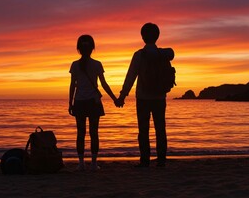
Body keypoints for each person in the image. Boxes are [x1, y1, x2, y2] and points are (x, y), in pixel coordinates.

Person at [117, 23, 174, 167]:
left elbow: (131, 77)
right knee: (160, 128)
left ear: (142, 37)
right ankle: (161, 159)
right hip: (160, 97)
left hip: (143, 97)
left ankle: (145, 160)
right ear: (157, 36)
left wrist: (122, 96)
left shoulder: (139, 55)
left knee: (143, 130)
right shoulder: (163, 54)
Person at [69, 34, 118, 171]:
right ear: (92, 48)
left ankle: (81, 163)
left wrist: (70, 103)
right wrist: (115, 99)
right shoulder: (97, 64)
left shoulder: (75, 65)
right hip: (93, 102)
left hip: (79, 102)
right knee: (94, 133)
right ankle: (94, 163)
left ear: (79, 49)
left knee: (80, 133)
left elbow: (72, 85)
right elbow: (103, 84)